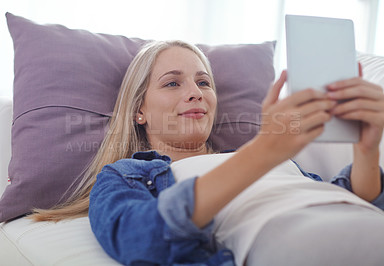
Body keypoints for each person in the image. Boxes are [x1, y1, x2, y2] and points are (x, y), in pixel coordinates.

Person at [30, 40, 384, 266]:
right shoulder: (126, 174)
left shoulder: (274, 155)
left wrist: (367, 152)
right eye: (173, 83)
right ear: (139, 110)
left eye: (204, 82)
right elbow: (139, 239)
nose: (196, 92)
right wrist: (263, 151)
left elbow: (351, 197)